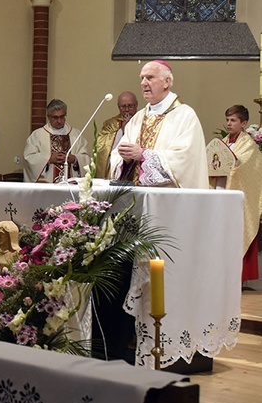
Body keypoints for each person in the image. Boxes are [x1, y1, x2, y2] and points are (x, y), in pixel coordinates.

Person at [110, 60, 209, 188]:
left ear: (166, 82)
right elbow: (118, 155)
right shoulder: (138, 118)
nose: (143, 83)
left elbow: (185, 160)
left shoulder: (184, 115)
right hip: (135, 197)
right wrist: (125, 158)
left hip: (168, 198)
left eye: (150, 77)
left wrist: (143, 155)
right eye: (142, 78)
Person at [209, 105, 262, 283]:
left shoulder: (249, 145)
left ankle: (236, 278)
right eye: (227, 120)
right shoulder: (223, 142)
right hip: (220, 193)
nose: (229, 123)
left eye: (233, 120)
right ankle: (219, 276)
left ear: (244, 123)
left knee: (234, 236)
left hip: (236, 198)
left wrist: (230, 165)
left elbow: (244, 168)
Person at [23, 99, 90, 183]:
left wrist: (74, 159)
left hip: (71, 184)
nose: (59, 121)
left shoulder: (76, 134)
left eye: (62, 117)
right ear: (48, 116)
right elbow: (29, 158)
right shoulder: (37, 135)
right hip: (46, 185)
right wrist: (49, 158)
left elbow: (86, 158)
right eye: (55, 117)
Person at [95, 91, 138, 179]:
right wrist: (121, 131)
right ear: (118, 106)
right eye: (123, 106)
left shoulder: (142, 120)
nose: (127, 109)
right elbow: (101, 147)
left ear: (136, 105)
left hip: (136, 167)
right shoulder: (110, 124)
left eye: (130, 106)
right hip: (116, 169)